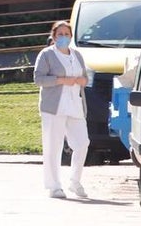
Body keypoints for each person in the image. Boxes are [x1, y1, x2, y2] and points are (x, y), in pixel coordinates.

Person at [33, 20, 90, 199]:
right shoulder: (47, 55)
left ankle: (75, 181)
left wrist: (83, 81)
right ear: (53, 36)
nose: (64, 37)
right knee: (53, 146)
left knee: (82, 143)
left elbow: (85, 77)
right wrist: (61, 80)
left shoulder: (77, 55)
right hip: (54, 106)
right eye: (60, 34)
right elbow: (39, 79)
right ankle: (54, 186)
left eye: (67, 34)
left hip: (75, 105)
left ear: (71, 37)